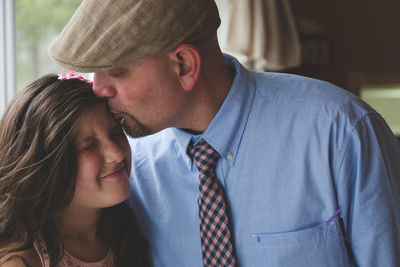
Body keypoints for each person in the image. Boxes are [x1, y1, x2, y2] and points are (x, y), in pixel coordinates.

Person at [48, 0, 400, 266]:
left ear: (184, 66)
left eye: (116, 73)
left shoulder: (341, 133)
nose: (99, 90)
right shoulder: (124, 167)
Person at [0, 74, 150, 266]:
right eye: (89, 146)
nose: (117, 154)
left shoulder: (132, 227)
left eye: (116, 132)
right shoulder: (20, 259)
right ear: (45, 169)